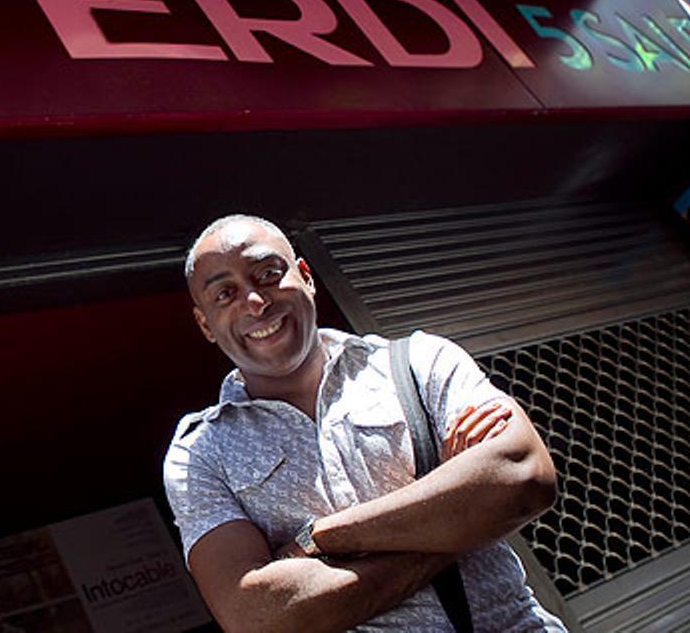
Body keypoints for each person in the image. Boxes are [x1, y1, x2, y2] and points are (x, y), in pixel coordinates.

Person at [163, 214, 566, 632]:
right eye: (225, 294)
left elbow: (524, 478)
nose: (255, 302)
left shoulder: (418, 362)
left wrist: (318, 539)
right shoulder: (200, 452)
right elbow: (257, 618)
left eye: (268, 274)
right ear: (205, 324)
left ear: (306, 276)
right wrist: (462, 515)